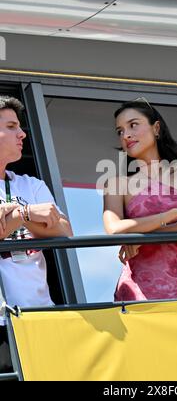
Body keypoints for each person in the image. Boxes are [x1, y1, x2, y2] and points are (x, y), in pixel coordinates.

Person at [103, 98, 177, 302]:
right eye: (120, 131)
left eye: (133, 125)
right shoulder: (116, 183)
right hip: (134, 293)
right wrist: (173, 215)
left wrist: (140, 234)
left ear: (156, 128)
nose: (126, 135)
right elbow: (114, 229)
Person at [0, 96, 73, 374]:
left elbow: (65, 232)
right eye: (11, 126)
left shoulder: (32, 184)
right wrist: (26, 213)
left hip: (41, 314)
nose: (22, 134)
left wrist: (13, 214)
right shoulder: (31, 195)